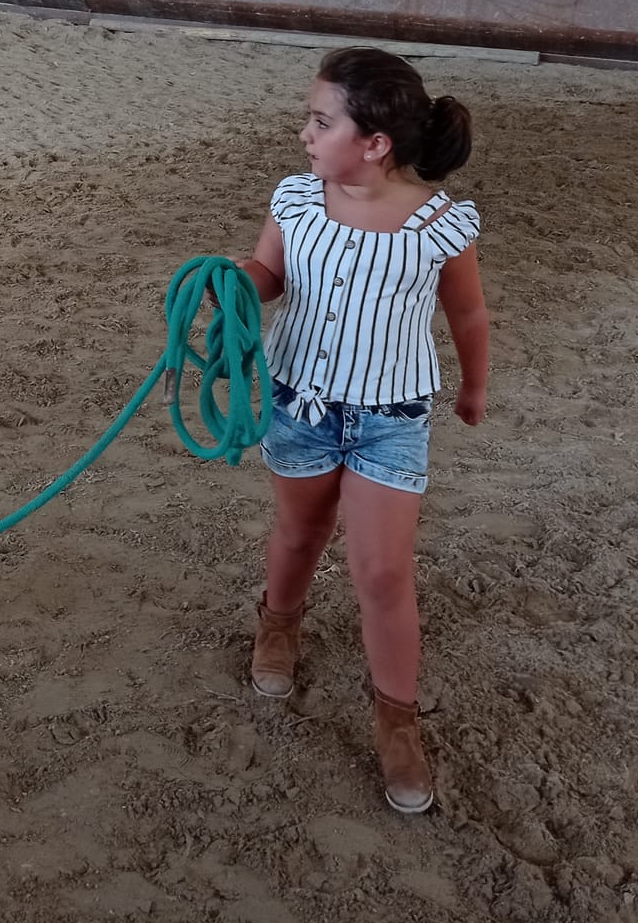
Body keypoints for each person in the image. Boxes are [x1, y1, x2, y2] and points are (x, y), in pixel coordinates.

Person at [238, 47, 489, 816]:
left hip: (390, 417)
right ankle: (279, 625)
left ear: (375, 143)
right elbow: (269, 274)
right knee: (299, 532)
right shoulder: (296, 200)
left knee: (382, 572)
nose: (305, 134)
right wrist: (229, 282)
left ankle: (397, 721)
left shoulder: (441, 225)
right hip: (300, 402)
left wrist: (475, 384)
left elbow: (467, 312)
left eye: (321, 120)